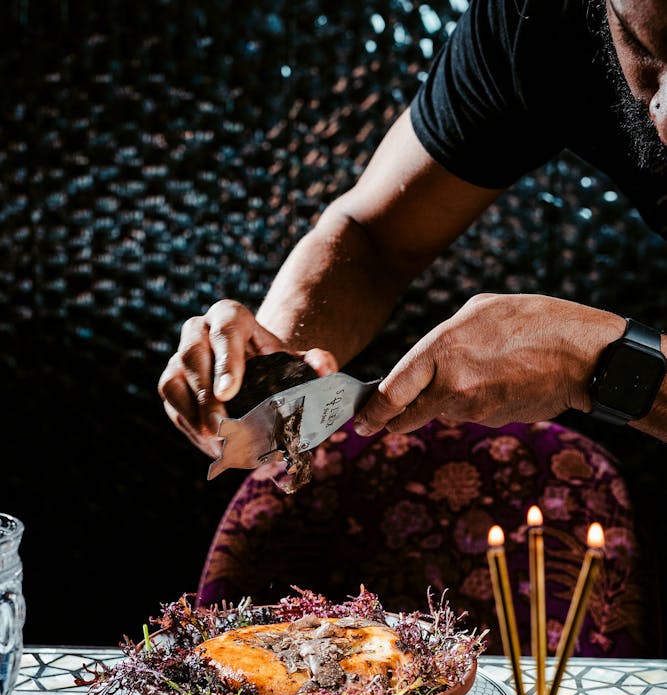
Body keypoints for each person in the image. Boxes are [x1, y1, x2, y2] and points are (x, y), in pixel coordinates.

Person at [159, 0, 667, 462]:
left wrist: (601, 363)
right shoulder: (536, 17)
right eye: (643, 47)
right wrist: (272, 377)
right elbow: (371, 240)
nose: (664, 120)